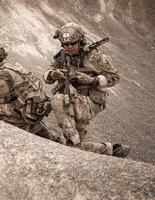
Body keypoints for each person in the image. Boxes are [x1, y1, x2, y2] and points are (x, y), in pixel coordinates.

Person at [43, 22, 130, 157]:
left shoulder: (94, 56)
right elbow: (47, 75)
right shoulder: (62, 57)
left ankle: (75, 143)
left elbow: (114, 77)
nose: (69, 47)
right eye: (66, 44)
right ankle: (112, 150)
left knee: (58, 100)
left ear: (80, 41)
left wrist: (93, 81)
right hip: (71, 100)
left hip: (91, 100)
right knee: (73, 146)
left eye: (73, 43)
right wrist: (53, 74)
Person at [0, 42, 65, 144]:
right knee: (18, 106)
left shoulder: (2, 74)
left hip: (29, 110)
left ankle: (23, 128)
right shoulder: (7, 65)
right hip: (36, 105)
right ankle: (50, 135)